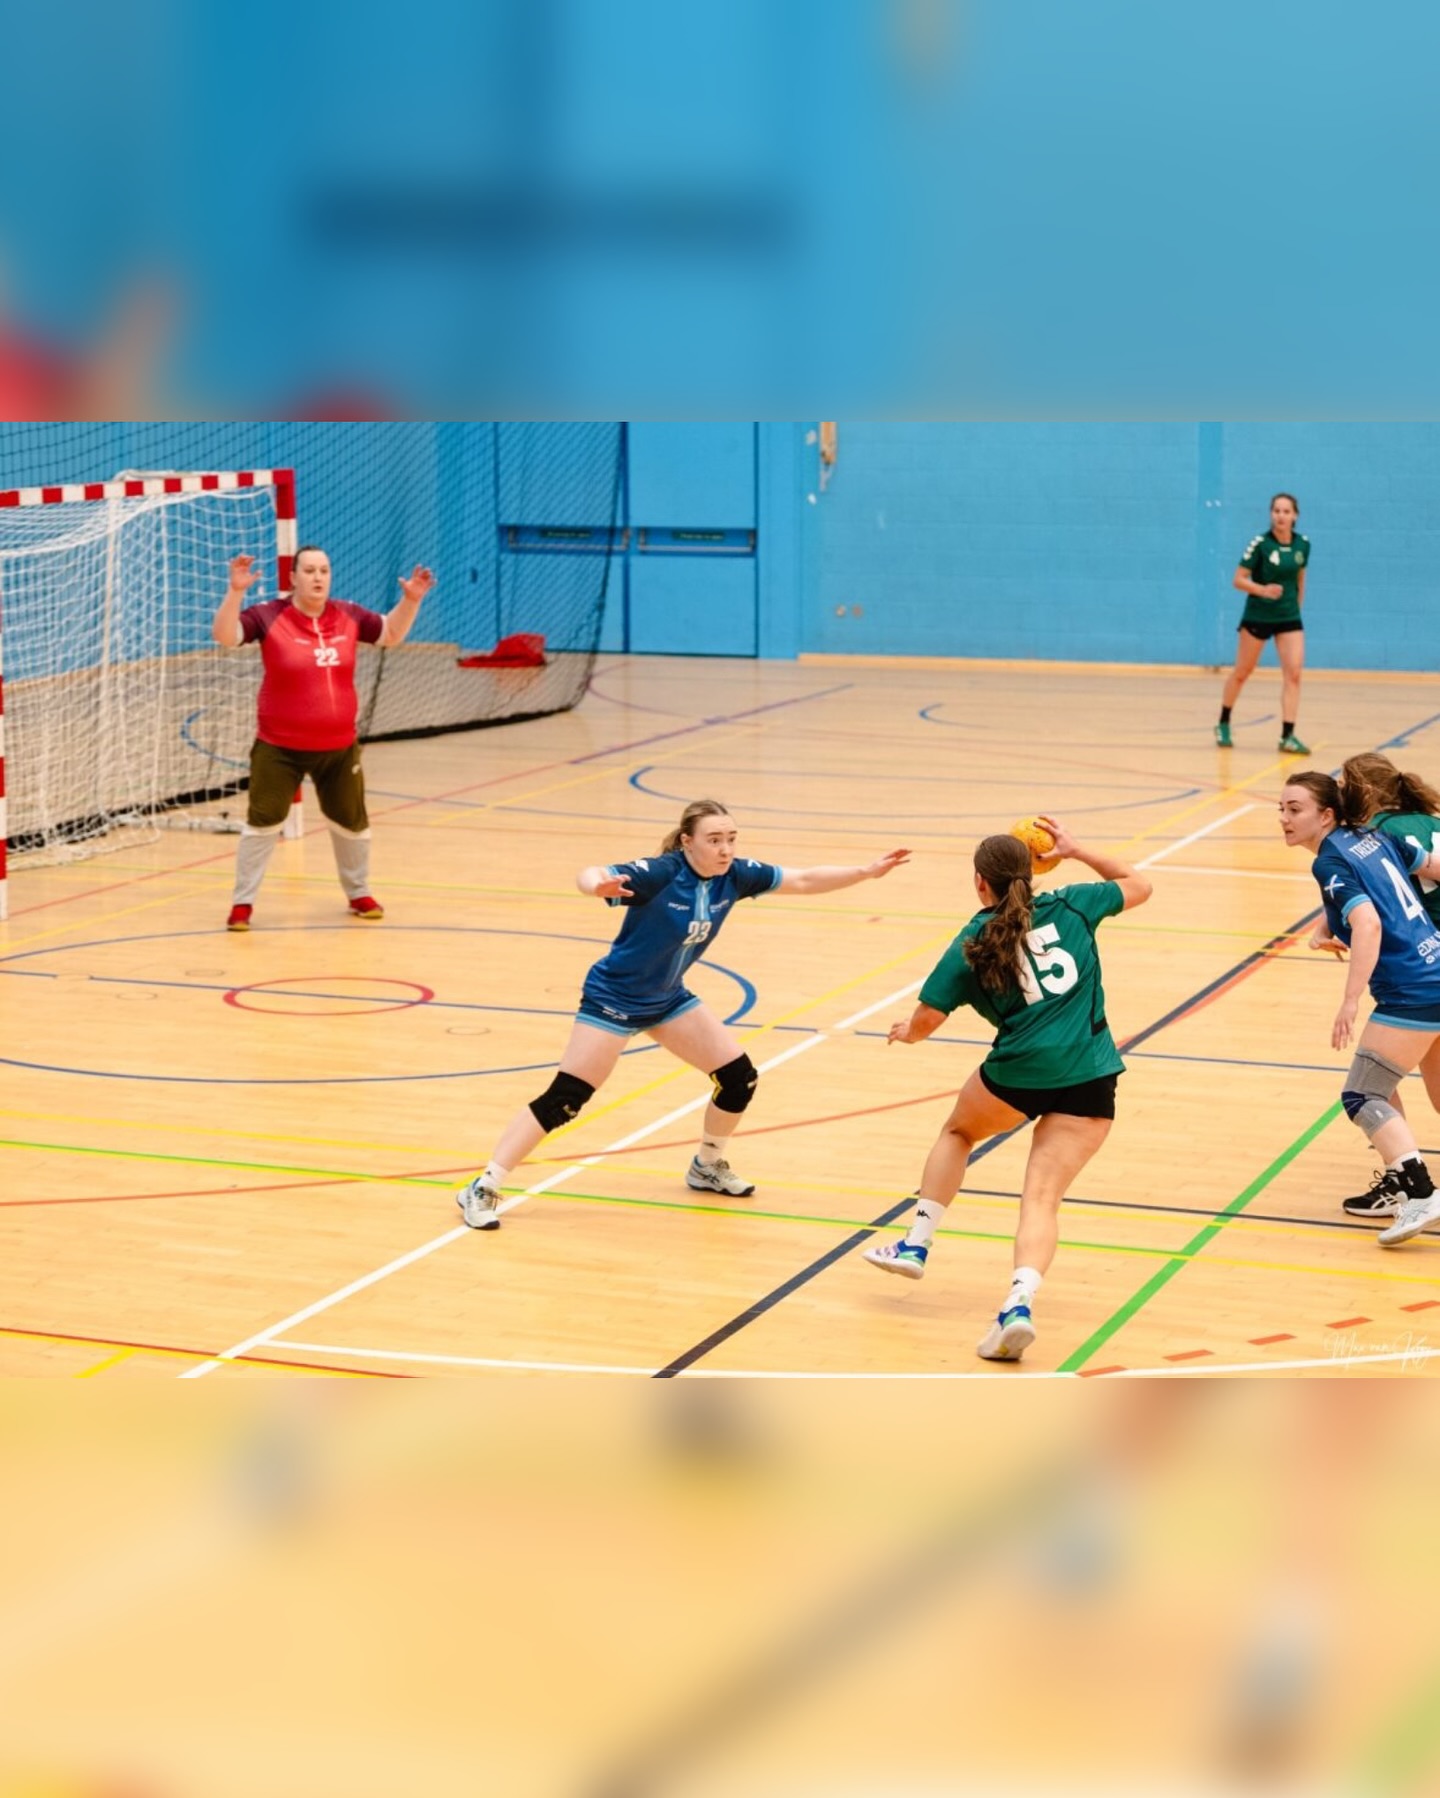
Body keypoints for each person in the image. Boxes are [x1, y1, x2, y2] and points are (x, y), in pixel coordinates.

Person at [454, 800, 910, 1228]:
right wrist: (596, 886)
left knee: (738, 1078)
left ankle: (706, 1166)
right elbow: (589, 872)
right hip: (614, 998)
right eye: (714, 840)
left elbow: (805, 879)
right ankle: (484, 1185)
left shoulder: (736, 875)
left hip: (668, 998)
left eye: (731, 838)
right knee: (566, 1098)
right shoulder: (660, 873)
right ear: (687, 841)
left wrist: (865, 872)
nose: (725, 849)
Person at [863, 820, 1152, 1363]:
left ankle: (916, 1243)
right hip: (1091, 1075)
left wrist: (907, 1032)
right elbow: (1139, 884)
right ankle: (1018, 1304)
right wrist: (1077, 850)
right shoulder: (1074, 905)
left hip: (1019, 1074)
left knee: (958, 1132)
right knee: (1041, 1199)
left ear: (980, 882)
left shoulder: (973, 941)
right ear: (1035, 870)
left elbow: (928, 1018)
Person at [211, 545, 435, 930]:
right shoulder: (269, 616)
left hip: (338, 748)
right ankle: (242, 903)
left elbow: (390, 633)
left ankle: (359, 892)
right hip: (279, 747)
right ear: (293, 577)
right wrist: (235, 593)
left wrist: (411, 600)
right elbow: (226, 636)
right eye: (310, 570)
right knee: (263, 822)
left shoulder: (348, 615)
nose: (318, 577)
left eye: (324, 571)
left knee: (352, 823)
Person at [1281, 770, 1440, 1245]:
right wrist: (1327, 927)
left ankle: (1420, 1193)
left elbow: (1368, 923)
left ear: (1326, 815)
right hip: (1435, 965)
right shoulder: (1372, 836)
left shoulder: (1330, 860)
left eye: (1295, 809)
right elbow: (1425, 869)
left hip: (1412, 988)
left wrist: (1349, 1000)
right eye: (1281, 809)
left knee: (1363, 1095)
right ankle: (1401, 1183)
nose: (1284, 819)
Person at [1327, 755, 1440, 1218]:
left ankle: (1409, 1183)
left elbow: (1377, 901)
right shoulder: (1428, 820)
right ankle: (1403, 1175)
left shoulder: (1377, 834)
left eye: (1344, 785)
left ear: (1365, 792)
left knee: (1369, 1086)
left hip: (1420, 969)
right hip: (1430, 962)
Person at [1215, 493, 1311, 755]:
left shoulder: (1303, 545)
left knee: (1294, 674)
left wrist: (1296, 608)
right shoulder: (1260, 544)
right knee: (1243, 671)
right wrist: (1262, 590)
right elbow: (1238, 579)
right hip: (1258, 616)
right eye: (1276, 511)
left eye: (1286, 511)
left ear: (1295, 516)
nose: (1281, 516)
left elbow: (1300, 579)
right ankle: (1223, 721)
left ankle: (1287, 735)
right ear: (1271, 514)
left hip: (1289, 617)